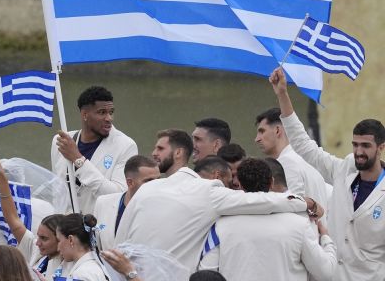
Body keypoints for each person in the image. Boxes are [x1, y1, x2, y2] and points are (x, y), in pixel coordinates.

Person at [115, 129, 321, 271]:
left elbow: (119, 243)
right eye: (230, 181)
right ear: (217, 177)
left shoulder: (147, 189)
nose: (233, 186)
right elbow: (262, 201)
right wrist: (307, 202)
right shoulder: (210, 191)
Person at [270, 67, 385, 281]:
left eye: (366, 146)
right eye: (355, 145)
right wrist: (283, 95)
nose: (359, 152)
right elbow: (304, 146)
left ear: (381, 148)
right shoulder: (344, 170)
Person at [199, 158, 336, 281]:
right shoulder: (299, 225)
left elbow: (206, 271)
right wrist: (326, 239)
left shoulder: (219, 227)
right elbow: (326, 272)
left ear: (239, 184)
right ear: (272, 182)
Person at [51, 86, 138, 214]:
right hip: (63, 228)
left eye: (111, 112)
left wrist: (78, 160)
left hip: (98, 228)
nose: (109, 118)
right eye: (102, 112)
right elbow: (57, 190)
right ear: (85, 115)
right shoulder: (61, 141)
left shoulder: (126, 145)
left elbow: (118, 195)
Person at [0, 156, 66, 281]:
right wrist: (1, 177)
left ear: (61, 239)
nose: (38, 242)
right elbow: (13, 219)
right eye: (38, 236)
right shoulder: (36, 250)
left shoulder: (72, 267)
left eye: (44, 238)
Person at [255, 107, 329, 216]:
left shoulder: (287, 163)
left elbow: (294, 209)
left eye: (262, 131)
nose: (257, 139)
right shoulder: (303, 161)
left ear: (277, 130)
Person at [93, 155, 160, 251]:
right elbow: (96, 245)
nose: (156, 184)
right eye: (149, 181)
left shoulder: (162, 209)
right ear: (130, 182)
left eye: (159, 179)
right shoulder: (103, 203)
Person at [55, 213, 110, 280]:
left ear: (71, 240)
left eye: (59, 240)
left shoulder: (82, 274)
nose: (58, 248)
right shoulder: (94, 265)